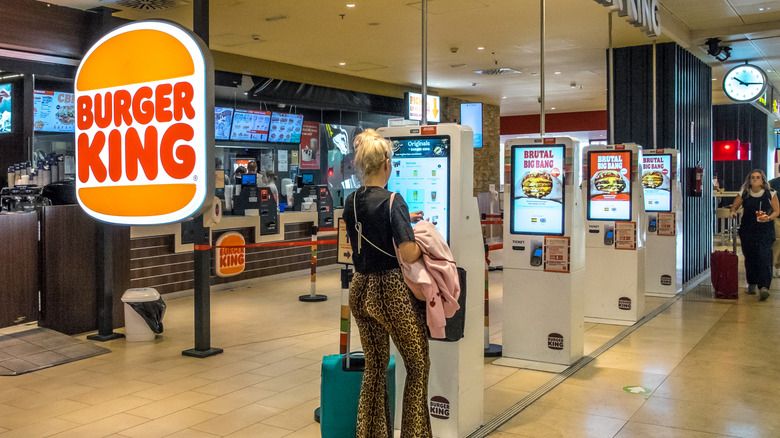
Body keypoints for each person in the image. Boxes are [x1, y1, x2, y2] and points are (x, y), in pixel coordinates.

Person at [343, 129, 432, 437]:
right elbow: (407, 252)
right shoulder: (394, 200)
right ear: (386, 164)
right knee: (418, 365)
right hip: (390, 290)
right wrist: (425, 239)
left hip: (360, 289)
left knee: (375, 366)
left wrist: (405, 218)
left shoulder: (350, 200)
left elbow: (368, 228)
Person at [730, 169, 779, 301]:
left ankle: (764, 287)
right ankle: (752, 282)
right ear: (749, 180)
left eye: (758, 177)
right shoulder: (744, 193)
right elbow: (734, 207)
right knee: (750, 257)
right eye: (752, 177)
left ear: (762, 180)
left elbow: (776, 211)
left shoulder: (770, 193)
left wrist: (768, 218)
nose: (755, 180)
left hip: (765, 230)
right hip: (748, 229)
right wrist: (733, 212)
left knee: (764, 256)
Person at [769, 174, 780, 277]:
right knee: (777, 241)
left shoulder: (771, 182)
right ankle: (773, 265)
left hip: (776, 216)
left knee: (777, 241)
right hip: (777, 216)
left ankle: (777, 266)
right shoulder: (772, 183)